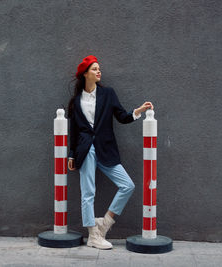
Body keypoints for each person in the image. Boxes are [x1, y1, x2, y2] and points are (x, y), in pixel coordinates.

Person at [67, 55, 154, 249]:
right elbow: (74, 131)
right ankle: (92, 235)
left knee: (127, 185)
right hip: (84, 150)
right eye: (95, 69)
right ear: (85, 74)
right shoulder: (76, 101)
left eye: (99, 69)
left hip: (105, 149)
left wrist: (138, 111)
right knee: (88, 192)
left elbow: (121, 116)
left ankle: (105, 223)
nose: (99, 71)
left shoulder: (108, 94)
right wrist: (71, 154)